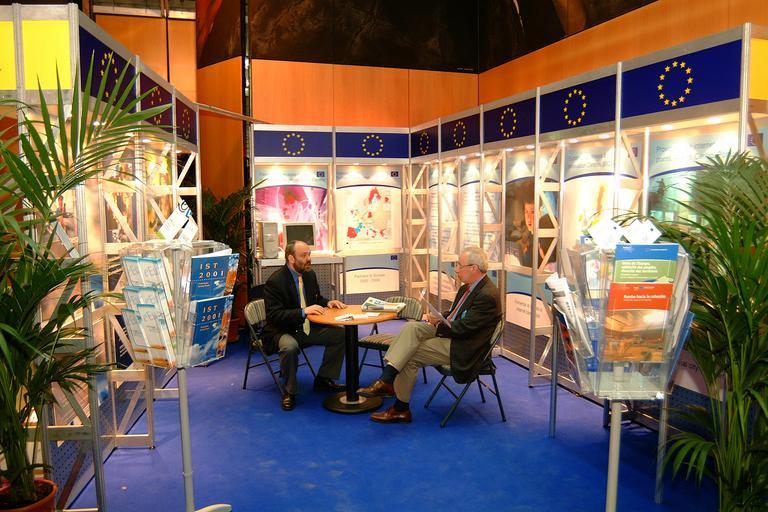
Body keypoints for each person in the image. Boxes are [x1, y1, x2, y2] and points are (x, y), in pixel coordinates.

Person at [358, 246, 501, 423]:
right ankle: (386, 380)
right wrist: (440, 317)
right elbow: (457, 315)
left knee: (409, 354)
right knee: (411, 328)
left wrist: (440, 324)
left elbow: (465, 329)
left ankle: (400, 408)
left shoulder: (487, 295)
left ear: (473, 268)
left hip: (464, 347)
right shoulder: (467, 288)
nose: (456, 270)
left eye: (459, 265)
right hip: (453, 333)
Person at [263, 240, 347, 411]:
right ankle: (289, 392)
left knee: (340, 335)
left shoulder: (310, 275)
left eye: (309, 254)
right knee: (289, 347)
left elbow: (315, 299)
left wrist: (328, 302)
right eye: (304, 255)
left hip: (307, 328)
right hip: (282, 331)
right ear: (291, 258)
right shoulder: (275, 281)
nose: (309, 258)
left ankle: (323, 379)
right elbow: (274, 316)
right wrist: (302, 312)